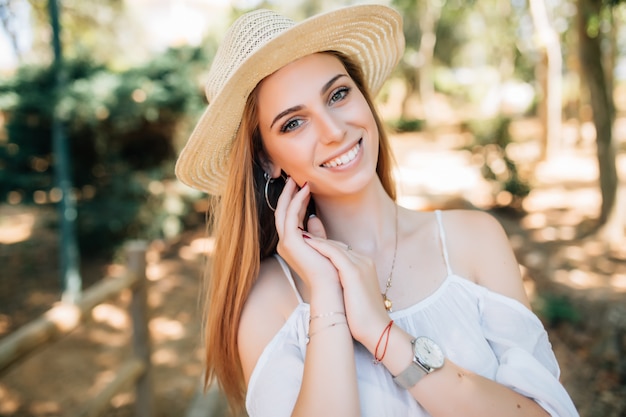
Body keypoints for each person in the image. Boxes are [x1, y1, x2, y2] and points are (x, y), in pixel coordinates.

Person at [175, 4, 579, 417]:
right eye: (293, 123)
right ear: (266, 159)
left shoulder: (474, 239)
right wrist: (327, 300)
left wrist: (381, 333)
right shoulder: (268, 303)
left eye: (338, 94)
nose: (334, 131)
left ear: (363, 97)